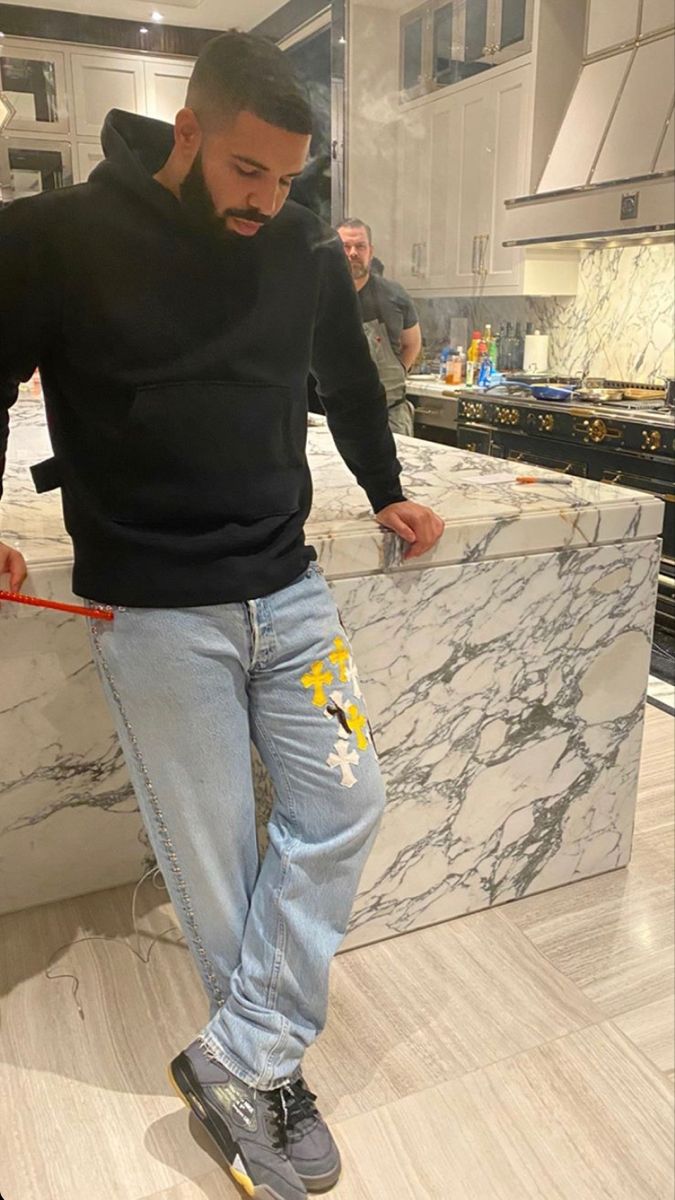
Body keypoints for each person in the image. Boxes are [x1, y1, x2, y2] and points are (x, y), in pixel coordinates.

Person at [0, 30, 444, 1200]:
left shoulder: (298, 242)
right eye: (249, 170)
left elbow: (347, 378)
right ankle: (263, 1072)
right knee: (216, 866)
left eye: (289, 178)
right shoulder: (55, 239)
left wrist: (389, 489)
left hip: (290, 595)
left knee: (349, 802)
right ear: (188, 130)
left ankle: (243, 1057)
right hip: (155, 614)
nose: (270, 200)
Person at [337, 219, 422, 437]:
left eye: (360, 246)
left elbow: (412, 343)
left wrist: (397, 372)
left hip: (390, 416)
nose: (353, 253)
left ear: (370, 251)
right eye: (345, 247)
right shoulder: (321, 294)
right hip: (337, 416)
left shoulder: (394, 294)